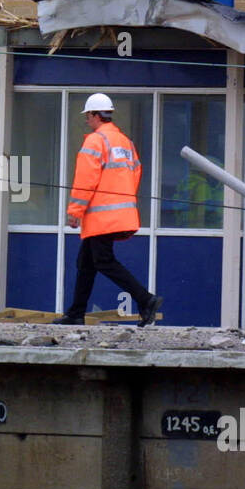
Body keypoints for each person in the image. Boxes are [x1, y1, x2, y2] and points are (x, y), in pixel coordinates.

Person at [55, 94, 162, 326]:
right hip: (121, 213)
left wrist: (75, 211)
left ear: (95, 115)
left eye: (88, 116)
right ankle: (75, 313)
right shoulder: (125, 142)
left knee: (103, 261)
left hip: (101, 216)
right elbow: (135, 174)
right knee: (86, 263)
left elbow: (85, 180)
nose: (87, 121)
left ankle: (145, 299)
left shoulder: (95, 141)